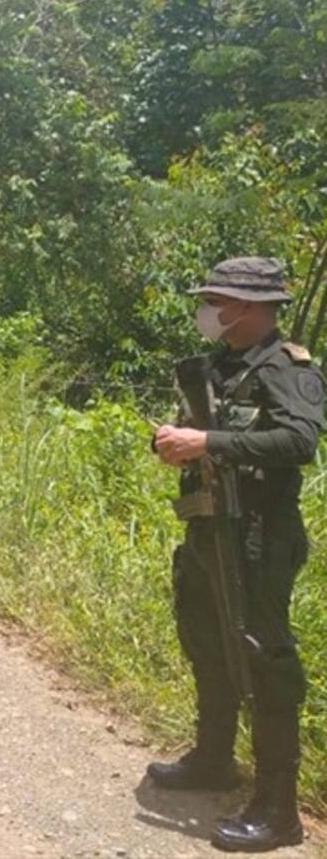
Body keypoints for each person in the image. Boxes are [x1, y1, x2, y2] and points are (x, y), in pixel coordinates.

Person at [149, 256, 322, 852]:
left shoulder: (286, 368)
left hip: (258, 533)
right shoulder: (222, 367)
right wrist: (175, 441)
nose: (208, 311)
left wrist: (209, 441)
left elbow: (300, 441)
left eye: (216, 300)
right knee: (208, 643)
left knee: (261, 660)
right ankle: (213, 760)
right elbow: (206, 429)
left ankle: (279, 811)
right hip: (208, 526)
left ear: (246, 307)